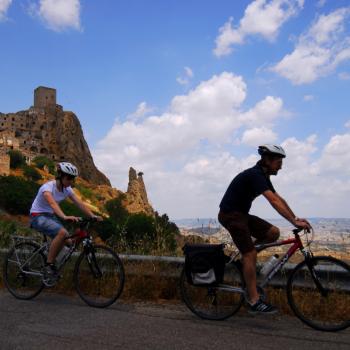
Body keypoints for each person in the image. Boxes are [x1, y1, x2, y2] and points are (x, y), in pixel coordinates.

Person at [218, 144, 311, 314]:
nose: (281, 166)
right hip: (230, 215)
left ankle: (246, 262)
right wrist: (293, 221)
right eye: (279, 162)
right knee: (250, 254)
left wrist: (295, 218)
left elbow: (278, 198)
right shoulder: (255, 175)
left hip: (241, 215)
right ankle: (253, 301)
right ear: (267, 160)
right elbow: (273, 202)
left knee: (273, 233)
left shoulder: (262, 175)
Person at [30, 161, 102, 286]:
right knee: (63, 233)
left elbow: (79, 203)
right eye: (68, 178)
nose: (70, 181)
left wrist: (93, 216)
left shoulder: (67, 189)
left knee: (69, 242)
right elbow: (52, 204)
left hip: (50, 216)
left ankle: (51, 261)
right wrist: (64, 216)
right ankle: (49, 265)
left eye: (72, 178)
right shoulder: (47, 188)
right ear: (60, 176)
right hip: (38, 216)